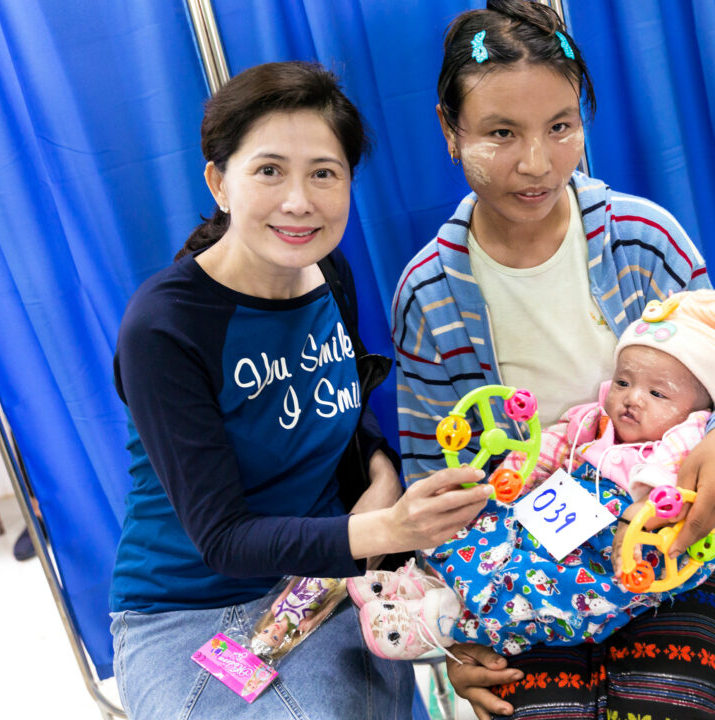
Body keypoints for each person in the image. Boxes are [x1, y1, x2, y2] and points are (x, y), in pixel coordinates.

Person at [391, 2, 715, 718]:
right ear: (448, 128)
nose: (537, 163)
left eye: (561, 126)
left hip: (664, 543)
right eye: (501, 133)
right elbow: (430, 481)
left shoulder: (645, 239)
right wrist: (455, 635)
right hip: (518, 569)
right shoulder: (431, 294)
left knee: (669, 707)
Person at [108, 61, 491, 720]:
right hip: (184, 608)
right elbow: (223, 538)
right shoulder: (165, 326)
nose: (299, 200)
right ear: (218, 182)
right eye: (268, 170)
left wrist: (378, 469)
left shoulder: (327, 272)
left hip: (332, 581)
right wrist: (380, 526)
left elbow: (341, 401)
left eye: (324, 172)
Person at [354, 289, 715, 661]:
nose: (632, 397)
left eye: (657, 394)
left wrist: (634, 516)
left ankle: (446, 619)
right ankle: (427, 582)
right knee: (488, 527)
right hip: (558, 520)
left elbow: (671, 487)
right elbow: (554, 446)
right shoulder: (597, 422)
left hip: (619, 552)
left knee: (544, 593)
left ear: (698, 408)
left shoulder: (688, 438)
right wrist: (515, 477)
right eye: (624, 382)